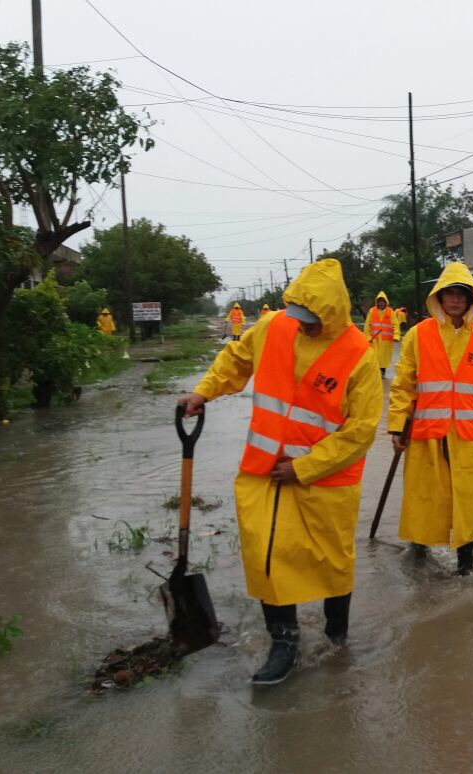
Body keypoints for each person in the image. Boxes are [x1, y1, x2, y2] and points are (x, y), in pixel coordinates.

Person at [177, 259, 382, 685]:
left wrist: (305, 468)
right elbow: (236, 358)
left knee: (332, 561)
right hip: (265, 472)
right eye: (299, 317)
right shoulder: (274, 326)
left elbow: (360, 432)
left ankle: (337, 635)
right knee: (267, 554)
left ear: (333, 314)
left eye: (312, 320)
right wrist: (203, 391)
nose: (304, 326)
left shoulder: (358, 356)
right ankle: (283, 641)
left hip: (327, 481)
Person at [387, 262, 473, 576]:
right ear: (439, 298)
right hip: (425, 434)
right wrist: (396, 427)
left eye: (462, 294)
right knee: (424, 498)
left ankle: (466, 566)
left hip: (467, 436)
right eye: (450, 294)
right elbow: (404, 384)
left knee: (466, 502)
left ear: (471, 299)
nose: (455, 300)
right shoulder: (418, 335)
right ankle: (418, 555)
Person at [363, 291, 399, 377]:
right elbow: (367, 325)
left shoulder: (390, 312)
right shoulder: (372, 311)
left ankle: (382, 372)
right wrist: (367, 337)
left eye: (383, 301)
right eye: (380, 301)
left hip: (386, 341)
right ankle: (375, 372)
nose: (381, 303)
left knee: (384, 358)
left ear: (386, 302)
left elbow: (396, 324)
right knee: (374, 356)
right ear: (377, 302)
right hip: (374, 340)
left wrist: (396, 336)